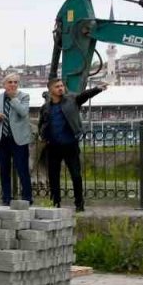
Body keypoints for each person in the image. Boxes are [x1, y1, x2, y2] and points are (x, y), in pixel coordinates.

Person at [38, 77, 106, 212]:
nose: (60, 88)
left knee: (75, 175)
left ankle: (79, 204)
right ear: (51, 90)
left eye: (62, 86)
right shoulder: (46, 107)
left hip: (70, 145)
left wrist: (98, 89)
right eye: (57, 86)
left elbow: (84, 95)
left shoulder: (72, 100)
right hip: (53, 146)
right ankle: (55, 202)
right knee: (53, 176)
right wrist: (43, 135)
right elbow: (42, 123)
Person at [0, 74, 33, 205]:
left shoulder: (24, 96)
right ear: (4, 84)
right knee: (4, 170)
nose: (13, 84)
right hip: (3, 139)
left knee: (22, 169)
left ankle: (27, 198)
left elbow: (23, 112)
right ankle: (6, 199)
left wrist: (13, 99)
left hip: (19, 140)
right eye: (10, 82)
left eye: (16, 82)